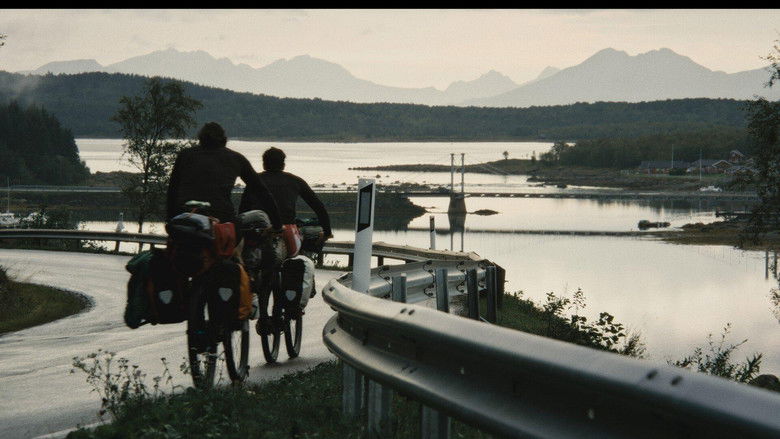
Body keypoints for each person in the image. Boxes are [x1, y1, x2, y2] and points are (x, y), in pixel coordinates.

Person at [166, 122, 282, 230]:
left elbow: (172, 190)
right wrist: (277, 224)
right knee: (240, 243)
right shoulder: (236, 158)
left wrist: (169, 218)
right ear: (224, 139)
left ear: (201, 138)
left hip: (183, 217)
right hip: (221, 217)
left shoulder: (185, 155)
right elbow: (261, 192)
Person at [239, 146, 333, 241]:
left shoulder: (254, 181)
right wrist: (327, 232)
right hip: (288, 232)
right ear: (283, 164)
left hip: (259, 232)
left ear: (264, 164)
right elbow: (319, 208)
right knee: (313, 230)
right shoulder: (296, 181)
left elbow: (243, 210)